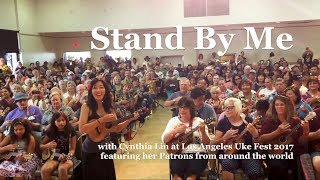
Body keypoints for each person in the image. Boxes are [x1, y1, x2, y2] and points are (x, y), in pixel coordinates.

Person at [79, 78, 138, 180]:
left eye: (101, 87)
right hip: (91, 151)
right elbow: (82, 129)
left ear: (105, 90)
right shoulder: (86, 106)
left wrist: (129, 120)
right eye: (95, 88)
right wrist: (101, 120)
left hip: (106, 149)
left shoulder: (109, 107)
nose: (98, 90)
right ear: (90, 91)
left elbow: (117, 128)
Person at [258, 95, 309, 179]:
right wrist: (277, 132)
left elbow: (302, 142)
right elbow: (261, 138)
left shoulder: (296, 121)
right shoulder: (269, 120)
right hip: (273, 152)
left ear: (288, 106)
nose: (279, 107)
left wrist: (306, 131)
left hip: (293, 152)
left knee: (299, 163)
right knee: (277, 165)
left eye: (282, 104)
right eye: (276, 105)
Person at [212, 98, 262, 180]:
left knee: (255, 171)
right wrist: (225, 137)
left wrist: (254, 133)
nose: (227, 110)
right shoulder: (222, 122)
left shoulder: (248, 120)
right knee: (226, 163)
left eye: (230, 107)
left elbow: (257, 141)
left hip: (248, 154)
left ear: (238, 108)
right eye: (225, 107)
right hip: (229, 154)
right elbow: (214, 145)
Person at [161, 97, 210, 180]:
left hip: (197, 154)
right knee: (177, 177)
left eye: (185, 107)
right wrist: (175, 131)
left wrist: (203, 132)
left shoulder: (199, 121)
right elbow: (165, 140)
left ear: (191, 108)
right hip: (178, 154)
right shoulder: (173, 121)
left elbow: (206, 144)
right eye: (180, 107)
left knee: (191, 178)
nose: (182, 110)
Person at [40, 112, 77, 180]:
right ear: (54, 122)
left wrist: (67, 156)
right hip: (54, 156)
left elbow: (72, 149)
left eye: (63, 120)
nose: (61, 123)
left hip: (68, 156)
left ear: (66, 120)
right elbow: (41, 146)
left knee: (62, 169)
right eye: (58, 121)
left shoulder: (71, 130)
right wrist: (47, 145)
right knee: (44, 170)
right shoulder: (50, 131)